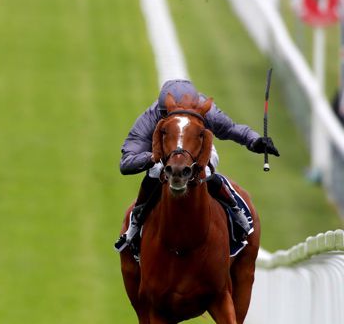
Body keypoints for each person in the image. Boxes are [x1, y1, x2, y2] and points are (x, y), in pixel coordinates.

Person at [114, 79, 280, 252]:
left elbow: (232, 130)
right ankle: (136, 221)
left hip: (197, 152)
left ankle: (235, 210)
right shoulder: (150, 117)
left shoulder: (208, 112)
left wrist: (255, 141)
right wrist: (152, 157)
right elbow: (126, 162)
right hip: (165, 154)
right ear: (162, 112)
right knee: (155, 171)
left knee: (206, 170)